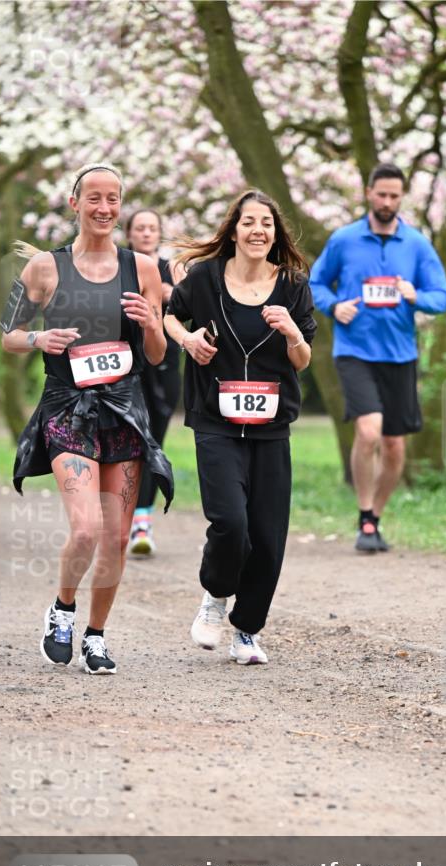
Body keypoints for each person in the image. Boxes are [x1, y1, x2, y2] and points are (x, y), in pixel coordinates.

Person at [2, 162, 174, 675]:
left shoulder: (143, 269)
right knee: (86, 529)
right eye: (93, 198)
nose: (104, 208)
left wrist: (150, 324)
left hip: (124, 409)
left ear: (121, 206)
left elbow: (159, 354)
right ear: (74, 203)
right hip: (67, 409)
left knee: (118, 537)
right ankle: (63, 608)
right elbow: (8, 334)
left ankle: (96, 636)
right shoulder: (44, 269)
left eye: (113, 199)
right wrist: (38, 338)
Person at [164, 189, 315, 665]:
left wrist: (291, 331)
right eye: (248, 222)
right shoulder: (206, 278)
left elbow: (303, 359)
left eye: (266, 224)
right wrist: (188, 340)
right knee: (231, 523)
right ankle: (215, 597)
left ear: (276, 233)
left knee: (268, 537)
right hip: (216, 420)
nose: (257, 231)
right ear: (233, 230)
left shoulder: (292, 284)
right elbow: (170, 316)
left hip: (271, 425)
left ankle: (246, 630)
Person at [310, 163, 446, 553]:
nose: (387, 201)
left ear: (401, 197)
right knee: (368, 432)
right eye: (381, 194)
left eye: (394, 195)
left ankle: (375, 518)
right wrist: (334, 307)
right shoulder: (344, 239)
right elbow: (316, 283)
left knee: (394, 447)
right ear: (369, 192)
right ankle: (363, 513)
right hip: (354, 351)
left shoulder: (417, 244)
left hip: (400, 354)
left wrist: (414, 296)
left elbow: (442, 296)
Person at [124, 209, 181, 556]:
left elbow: (189, 311)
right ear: (129, 234)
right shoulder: (119, 266)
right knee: (126, 442)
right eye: (140, 228)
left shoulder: (173, 269)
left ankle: (141, 520)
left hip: (164, 365)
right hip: (125, 366)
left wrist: (171, 293)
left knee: (152, 443)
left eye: (152, 228)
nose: (146, 233)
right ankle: (125, 518)